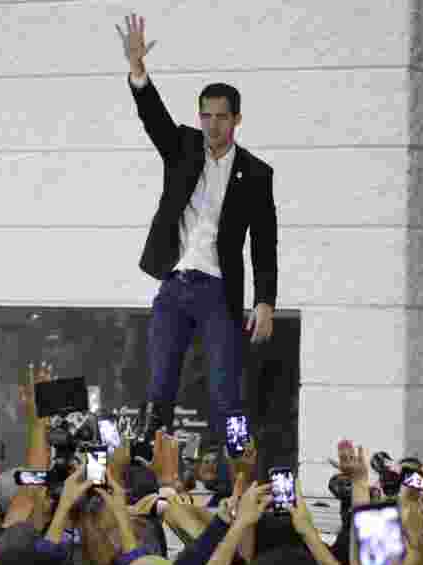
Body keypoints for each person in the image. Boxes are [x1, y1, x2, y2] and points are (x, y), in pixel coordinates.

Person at [116, 13, 279, 491]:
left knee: (226, 398)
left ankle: (241, 479)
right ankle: (147, 482)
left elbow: (265, 242)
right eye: (205, 115)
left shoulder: (257, 173)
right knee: (158, 390)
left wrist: (265, 300)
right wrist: (137, 70)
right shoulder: (183, 147)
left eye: (221, 116)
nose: (211, 124)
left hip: (218, 294)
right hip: (175, 285)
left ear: (237, 119)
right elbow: (153, 118)